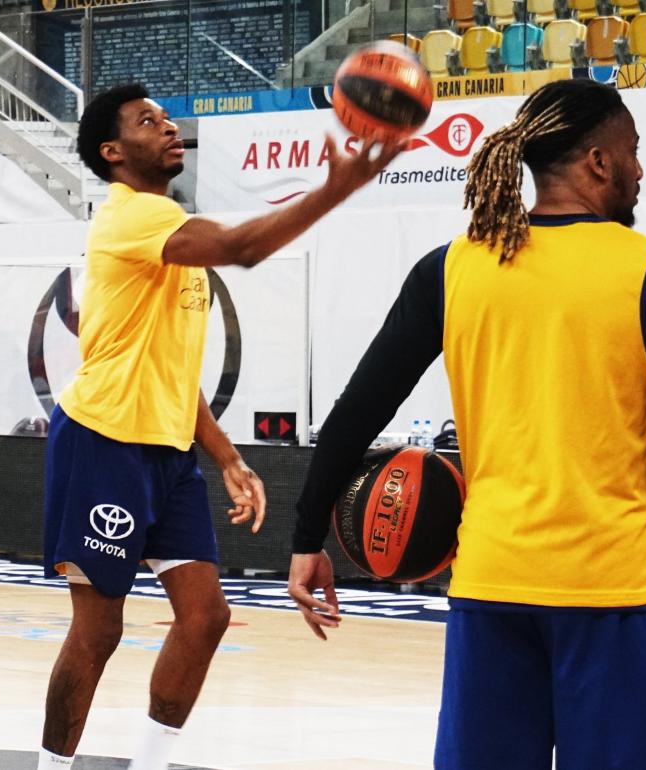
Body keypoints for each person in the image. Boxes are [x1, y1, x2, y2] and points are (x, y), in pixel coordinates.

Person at [287, 78, 646, 769]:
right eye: (633, 152)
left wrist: (308, 535)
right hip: (611, 592)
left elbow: (358, 411)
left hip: (491, 589)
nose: (641, 168)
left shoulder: (452, 268)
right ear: (599, 163)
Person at [39, 83, 402, 770]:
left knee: (205, 619)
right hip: (101, 443)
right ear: (114, 152)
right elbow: (242, 245)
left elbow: (173, 372)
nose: (169, 126)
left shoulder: (169, 230)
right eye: (149, 122)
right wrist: (339, 185)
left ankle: (150, 763)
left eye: (168, 116)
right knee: (99, 631)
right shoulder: (130, 217)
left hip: (168, 454)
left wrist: (227, 456)